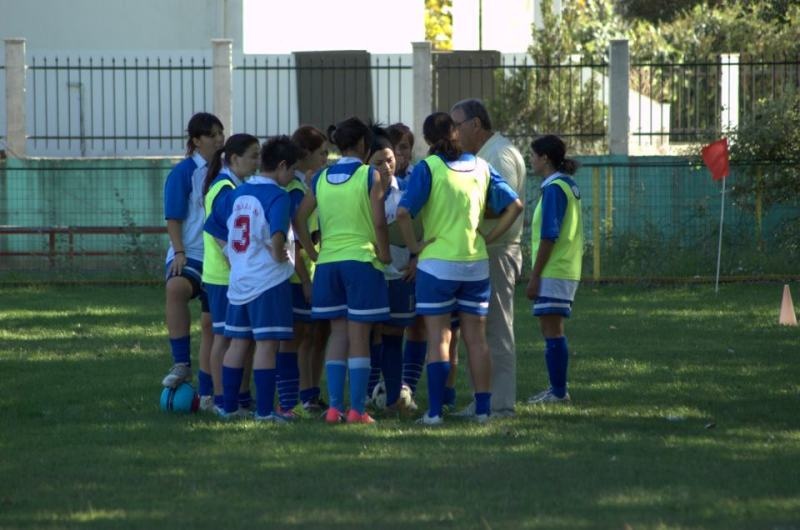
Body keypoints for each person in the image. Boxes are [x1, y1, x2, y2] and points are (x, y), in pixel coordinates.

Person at [396, 112, 523, 425]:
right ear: (455, 132)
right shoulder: (481, 165)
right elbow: (515, 205)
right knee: (477, 341)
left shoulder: (429, 167)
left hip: (437, 266)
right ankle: (483, 411)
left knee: (439, 339)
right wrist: (489, 237)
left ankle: (435, 413)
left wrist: (414, 247)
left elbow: (402, 213)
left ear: (427, 139)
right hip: (475, 264)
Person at [294, 116, 392, 424]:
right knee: (359, 336)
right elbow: (379, 221)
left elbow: (299, 218)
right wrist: (385, 253)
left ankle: (335, 408)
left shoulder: (320, 177)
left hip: (328, 265)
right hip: (360, 261)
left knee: (337, 334)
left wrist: (313, 253)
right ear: (363, 144)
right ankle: (357, 410)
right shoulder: (369, 175)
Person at [205, 136, 300, 421]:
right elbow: (278, 235)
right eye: (293, 169)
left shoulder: (238, 192)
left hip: (239, 280)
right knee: (267, 344)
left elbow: (213, 226)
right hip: (268, 282)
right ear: (282, 166)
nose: (293, 176)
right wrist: (280, 253)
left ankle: (228, 407)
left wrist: (232, 254)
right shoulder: (278, 196)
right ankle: (264, 412)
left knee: (238, 343)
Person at [450, 99, 527, 418]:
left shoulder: (499, 154)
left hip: (498, 250)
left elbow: (504, 204)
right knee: (478, 330)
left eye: (457, 125)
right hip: (483, 250)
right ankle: (482, 399)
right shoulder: (484, 154)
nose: (454, 133)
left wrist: (462, 210)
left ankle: (502, 403)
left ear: (476, 124)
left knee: (497, 328)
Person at [161, 112, 224, 390]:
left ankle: (209, 392)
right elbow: (173, 218)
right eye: (212, 135)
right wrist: (179, 252)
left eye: (221, 133)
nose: (219, 139)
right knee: (176, 287)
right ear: (196, 141)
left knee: (210, 325)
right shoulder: (185, 172)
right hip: (192, 253)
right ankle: (181, 363)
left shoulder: (228, 170)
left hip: (220, 255)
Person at [201, 133, 261, 412]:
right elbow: (218, 232)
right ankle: (221, 399)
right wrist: (236, 263)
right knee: (224, 337)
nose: (258, 162)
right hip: (222, 276)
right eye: (254, 156)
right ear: (235, 159)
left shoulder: (237, 185)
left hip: (233, 275)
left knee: (242, 338)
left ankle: (240, 397)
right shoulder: (224, 188)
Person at [525, 135, 583, 404]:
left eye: (533, 155)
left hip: (554, 270)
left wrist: (535, 276)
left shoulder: (554, 188)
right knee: (551, 329)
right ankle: (556, 389)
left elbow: (549, 235)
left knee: (552, 330)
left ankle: (559, 392)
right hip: (564, 267)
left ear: (545, 158)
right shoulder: (566, 184)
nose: (530, 160)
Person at [277, 125, 330, 416]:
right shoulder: (294, 191)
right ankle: (289, 400)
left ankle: (310, 395)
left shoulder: (309, 187)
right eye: (322, 153)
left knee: (314, 335)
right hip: (297, 277)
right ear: (306, 154)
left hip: (313, 273)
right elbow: (293, 240)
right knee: (295, 338)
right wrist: (306, 279)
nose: (326, 159)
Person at [366, 127, 416, 413]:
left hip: (399, 273)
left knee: (395, 335)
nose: (386, 167)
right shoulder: (361, 192)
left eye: (389, 160)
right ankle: (365, 394)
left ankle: (394, 397)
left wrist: (416, 258)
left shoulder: (406, 190)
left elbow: (422, 226)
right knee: (366, 335)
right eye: (378, 162)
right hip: (370, 274)